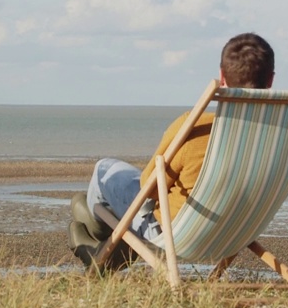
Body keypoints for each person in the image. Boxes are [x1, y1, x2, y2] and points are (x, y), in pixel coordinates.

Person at [68, 33, 275, 270]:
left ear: (222, 77)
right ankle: (102, 246)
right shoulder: (286, 138)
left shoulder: (196, 127)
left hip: (174, 235)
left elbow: (150, 188)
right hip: (237, 233)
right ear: (270, 80)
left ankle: (97, 236)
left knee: (103, 169)